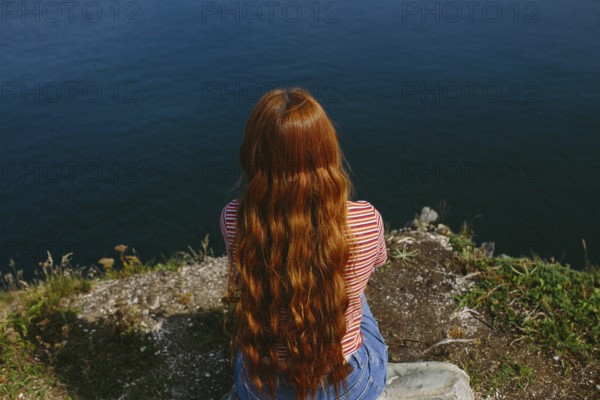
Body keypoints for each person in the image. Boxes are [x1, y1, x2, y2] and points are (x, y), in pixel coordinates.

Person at [219, 87, 388, 400]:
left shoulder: (235, 219)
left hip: (264, 388)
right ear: (327, 149)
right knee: (354, 296)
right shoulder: (365, 219)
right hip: (350, 385)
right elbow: (377, 262)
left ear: (253, 153)